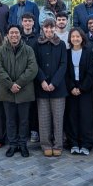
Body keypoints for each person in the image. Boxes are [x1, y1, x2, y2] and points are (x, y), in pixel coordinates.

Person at [0, 24, 38, 158]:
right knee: (10, 120)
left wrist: (18, 83)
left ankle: (23, 144)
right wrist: (10, 84)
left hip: (24, 91)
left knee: (24, 120)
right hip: (7, 91)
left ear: (20, 34)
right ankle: (13, 144)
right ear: (7, 35)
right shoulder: (1, 50)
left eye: (16, 33)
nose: (14, 35)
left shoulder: (28, 50)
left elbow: (33, 68)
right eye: (11, 33)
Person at [34, 18, 68, 157]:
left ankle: (58, 145)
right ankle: (46, 145)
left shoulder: (61, 44)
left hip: (58, 88)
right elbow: (34, 63)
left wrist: (54, 82)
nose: (49, 30)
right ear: (43, 29)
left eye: (51, 28)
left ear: (55, 28)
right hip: (42, 87)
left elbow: (63, 64)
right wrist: (42, 80)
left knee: (58, 119)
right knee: (44, 119)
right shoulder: (37, 44)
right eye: (46, 28)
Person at [65, 28, 93, 156]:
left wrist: (82, 88)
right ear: (70, 39)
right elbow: (65, 72)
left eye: (78, 36)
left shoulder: (88, 52)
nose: (75, 39)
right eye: (73, 37)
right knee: (72, 116)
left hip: (85, 89)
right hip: (71, 88)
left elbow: (91, 72)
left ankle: (86, 144)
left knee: (86, 117)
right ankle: (73, 143)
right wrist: (72, 87)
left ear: (82, 38)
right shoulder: (66, 53)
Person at [20, 13, 39, 144]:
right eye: (25, 21)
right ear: (22, 23)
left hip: (34, 77)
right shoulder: (17, 37)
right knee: (21, 105)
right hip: (20, 77)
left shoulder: (38, 38)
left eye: (29, 21)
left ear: (33, 23)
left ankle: (34, 130)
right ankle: (22, 131)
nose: (27, 23)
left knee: (33, 106)